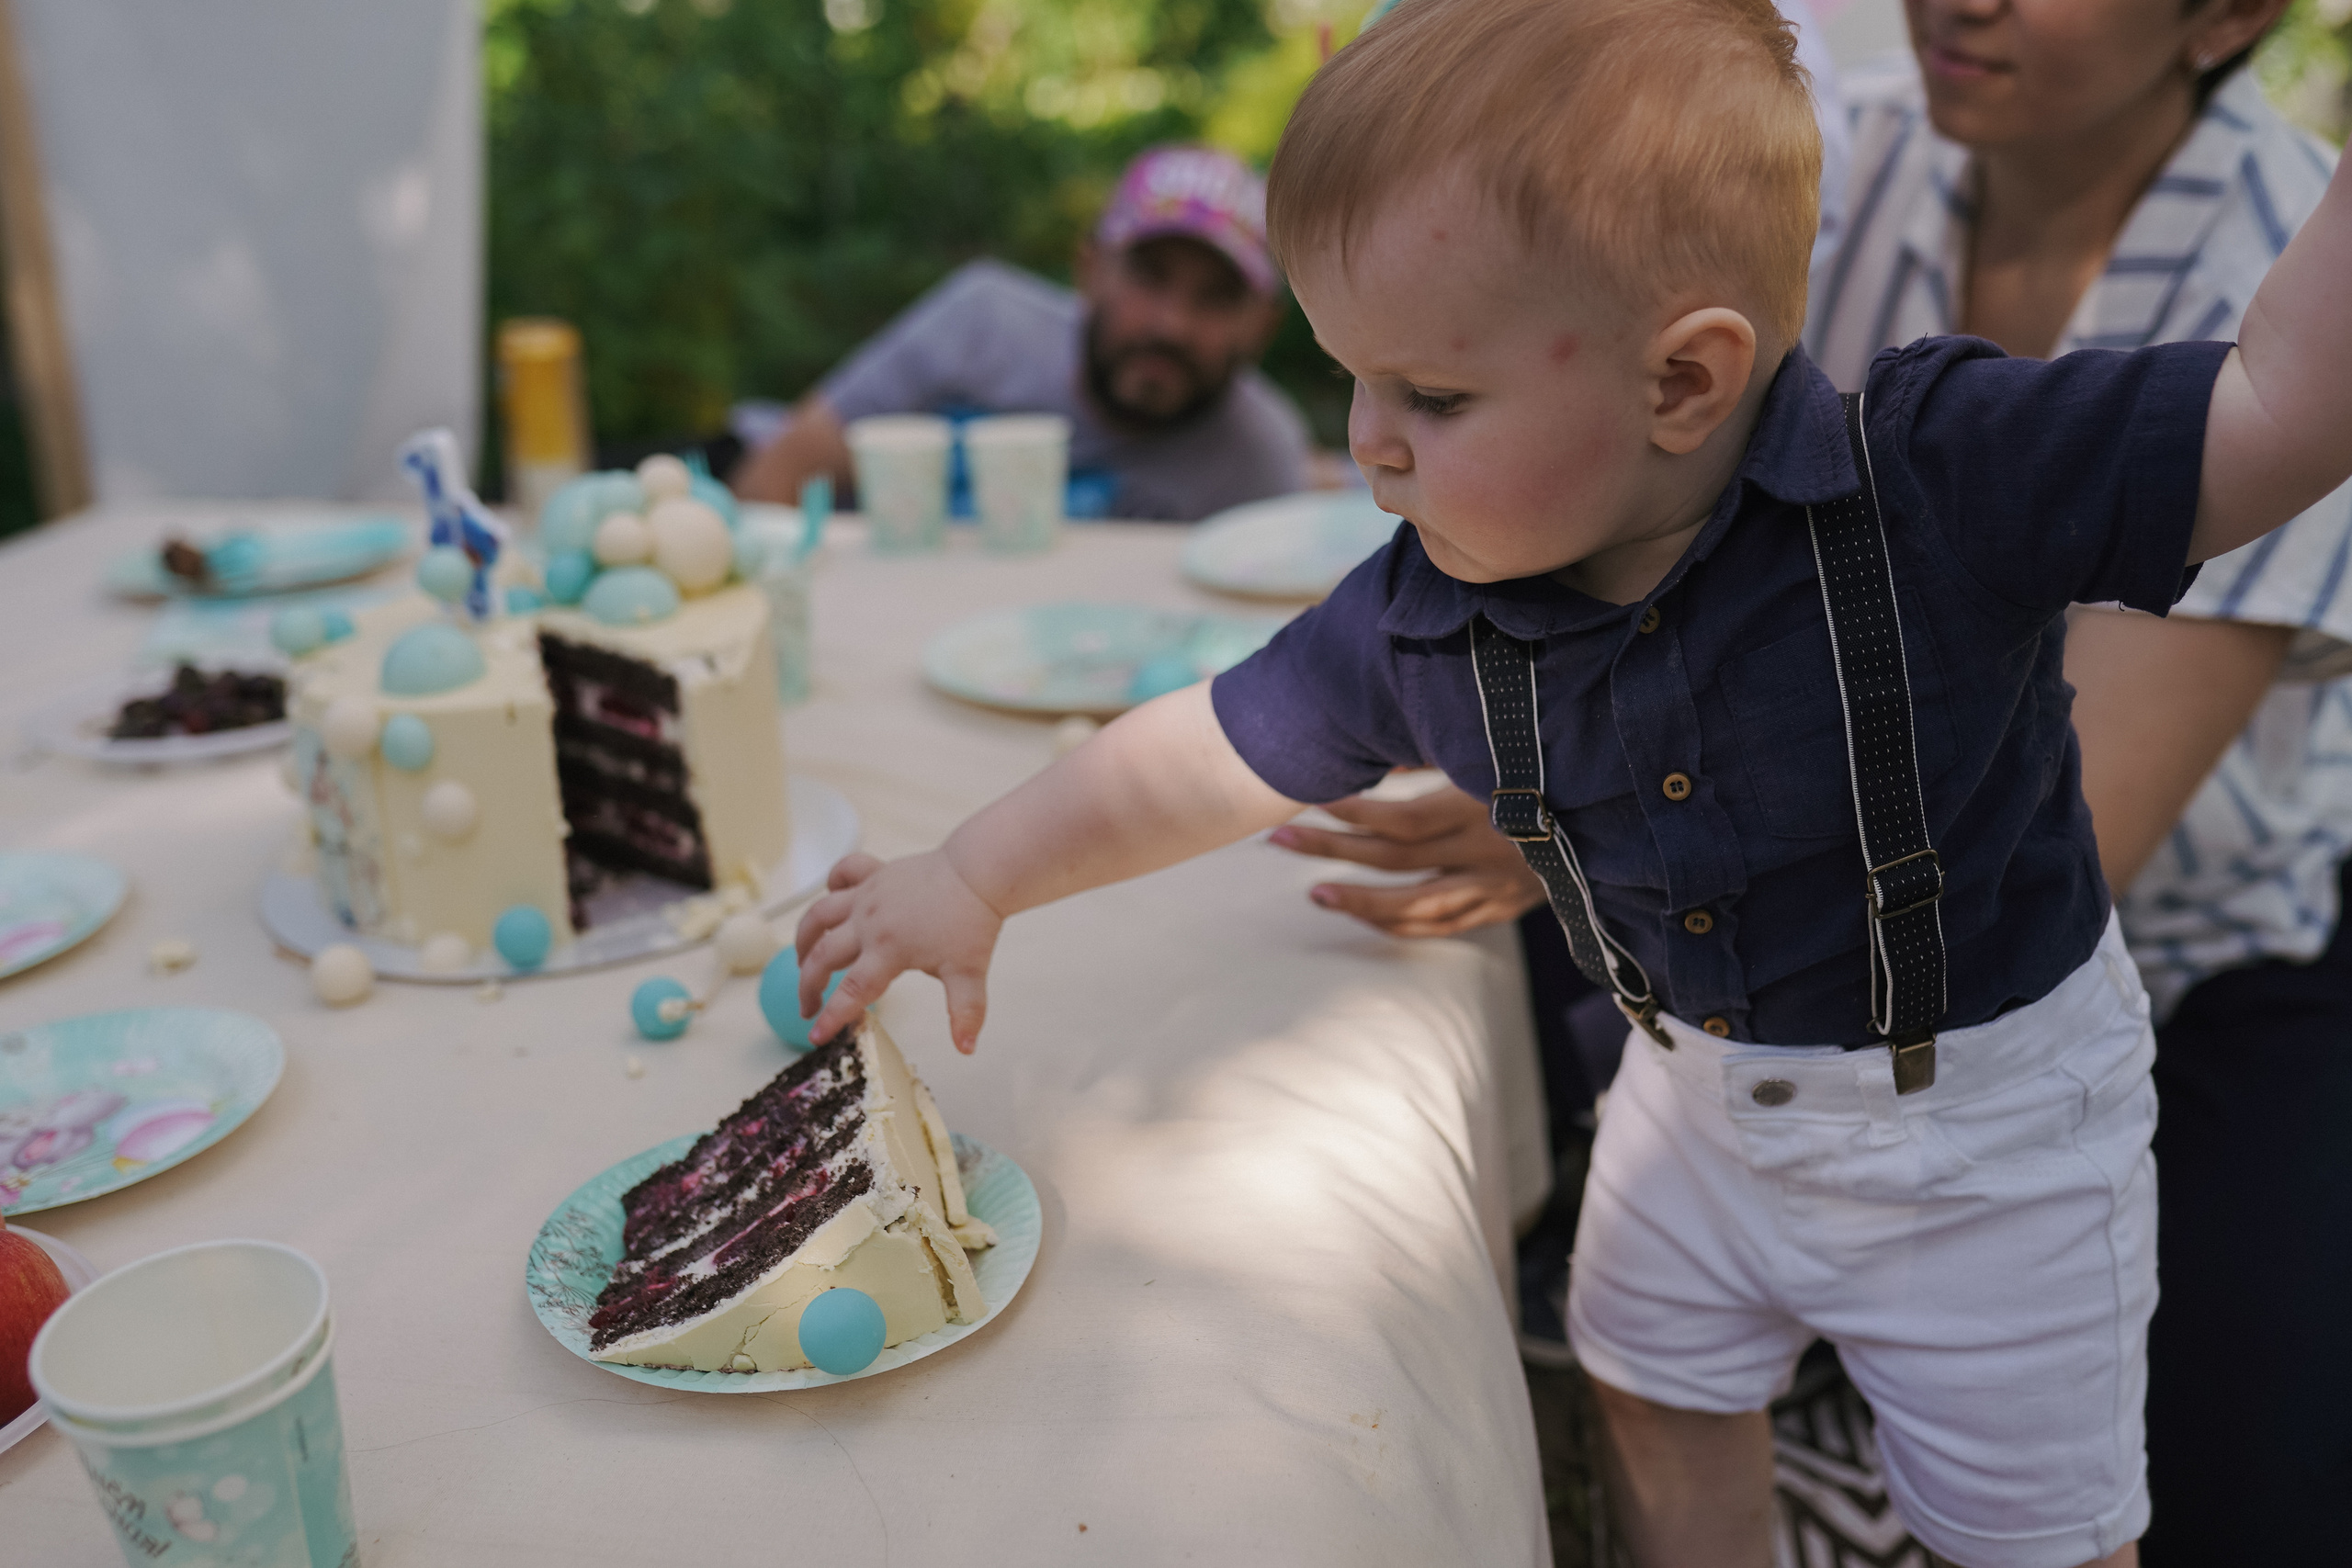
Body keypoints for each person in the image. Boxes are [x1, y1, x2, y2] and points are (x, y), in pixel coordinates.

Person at [790, 1, 2352, 1563]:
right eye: (1350, 381)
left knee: (2037, 1533)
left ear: (1683, 382)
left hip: (1983, 1148)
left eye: (1433, 399)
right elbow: (1199, 746)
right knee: (1655, 1391)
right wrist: (979, 871)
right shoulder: (1434, 607)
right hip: (1687, 1102)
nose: (1368, 451)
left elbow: (2279, 412)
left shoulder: (1949, 468)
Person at [730, 144, 1314, 521]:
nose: (1170, 324)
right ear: (1090, 272)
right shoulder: (983, 322)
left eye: (1215, 298)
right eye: (1149, 277)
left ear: (1260, 327)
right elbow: (776, 476)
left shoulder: (1258, 461)